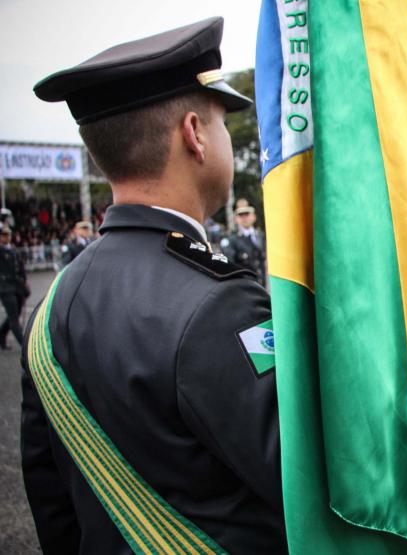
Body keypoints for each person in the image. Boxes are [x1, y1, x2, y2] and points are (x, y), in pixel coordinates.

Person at [22, 17, 285, 553]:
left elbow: (52, 502)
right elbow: (300, 481)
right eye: (220, 124)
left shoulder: (51, 307)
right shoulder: (219, 303)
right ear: (193, 134)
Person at [220, 202, 267, 285]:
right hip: (245, 285)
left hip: (262, 284)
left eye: (247, 214)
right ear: (236, 219)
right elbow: (230, 264)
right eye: (241, 215)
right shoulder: (231, 240)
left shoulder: (260, 235)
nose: (244, 217)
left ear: (254, 216)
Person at [0, 226, 27, 349]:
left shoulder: (13, 250)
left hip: (17, 287)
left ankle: (1, 335)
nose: (7, 237)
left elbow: (20, 267)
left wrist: (24, 282)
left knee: (14, 314)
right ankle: (25, 345)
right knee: (14, 318)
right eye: (3, 235)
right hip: (5, 288)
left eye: (7, 234)